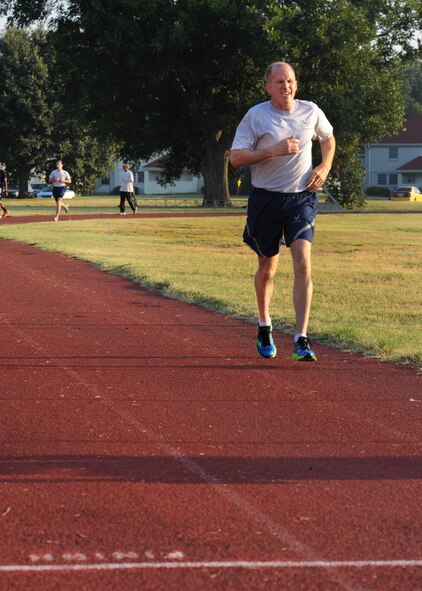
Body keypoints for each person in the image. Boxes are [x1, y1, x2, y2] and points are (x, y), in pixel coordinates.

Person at [230, 61, 336, 362]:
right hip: (266, 200)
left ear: (296, 84)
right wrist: (271, 151)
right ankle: (264, 326)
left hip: (301, 198)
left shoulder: (311, 111)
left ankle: (301, 338)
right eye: (279, 82)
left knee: (303, 263)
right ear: (268, 87)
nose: (286, 87)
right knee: (268, 268)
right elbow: (235, 158)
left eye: (290, 81)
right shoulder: (256, 116)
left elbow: (328, 138)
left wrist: (324, 166)